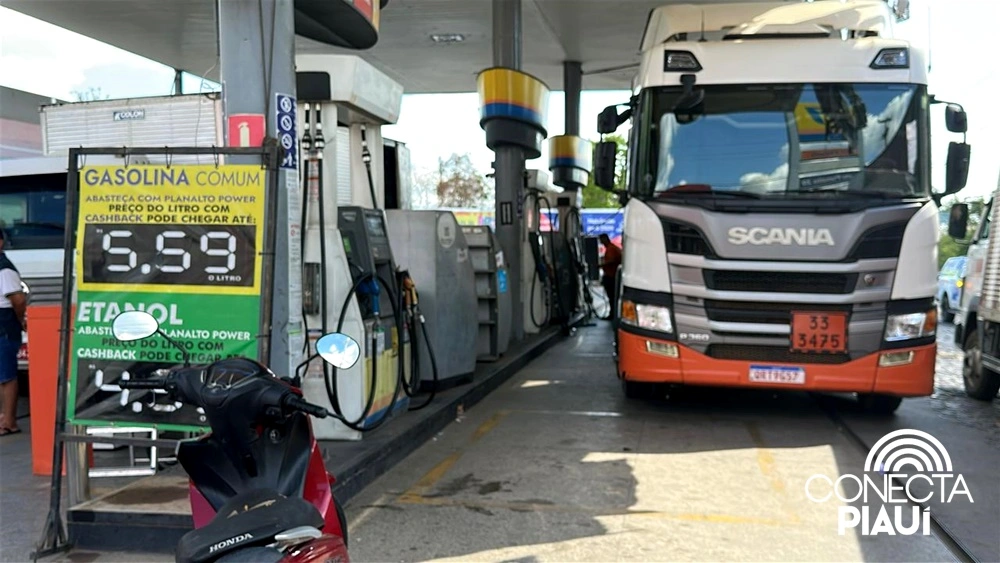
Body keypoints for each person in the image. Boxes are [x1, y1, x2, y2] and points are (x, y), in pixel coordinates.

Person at [0, 228, 26, 436]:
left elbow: (18, 300)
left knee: (7, 376)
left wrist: (20, 320)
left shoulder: (5, 269)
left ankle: (9, 421)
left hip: (4, 328)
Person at [599, 234, 622, 322]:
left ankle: (613, 314)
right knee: (611, 297)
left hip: (611, 276)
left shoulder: (611, 249)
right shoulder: (611, 248)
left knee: (612, 297)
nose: (601, 242)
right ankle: (613, 313)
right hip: (611, 275)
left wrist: (602, 265)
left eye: (601, 240)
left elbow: (612, 260)